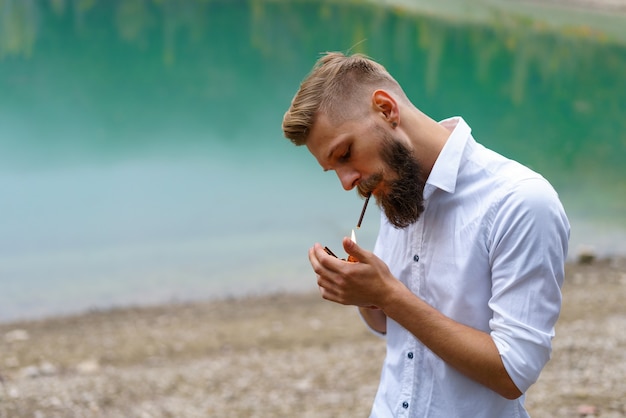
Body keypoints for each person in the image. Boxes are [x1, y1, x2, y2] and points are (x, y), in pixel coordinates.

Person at [281, 51, 570, 417]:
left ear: (386, 110)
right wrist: (363, 293)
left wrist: (389, 294)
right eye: (332, 169)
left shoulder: (522, 201)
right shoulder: (399, 184)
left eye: (345, 154)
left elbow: (513, 372)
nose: (346, 181)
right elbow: (391, 326)